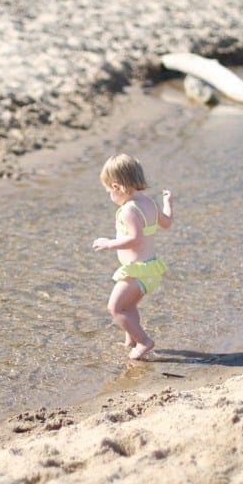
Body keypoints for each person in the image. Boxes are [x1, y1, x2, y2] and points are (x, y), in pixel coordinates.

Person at [92, 153, 173, 361]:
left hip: (137, 271)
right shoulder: (149, 203)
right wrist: (167, 202)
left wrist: (110, 244)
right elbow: (167, 223)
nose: (110, 196)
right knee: (128, 307)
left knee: (116, 308)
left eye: (108, 191)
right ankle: (132, 340)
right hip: (149, 268)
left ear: (117, 187)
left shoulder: (129, 210)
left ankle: (144, 341)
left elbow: (135, 239)